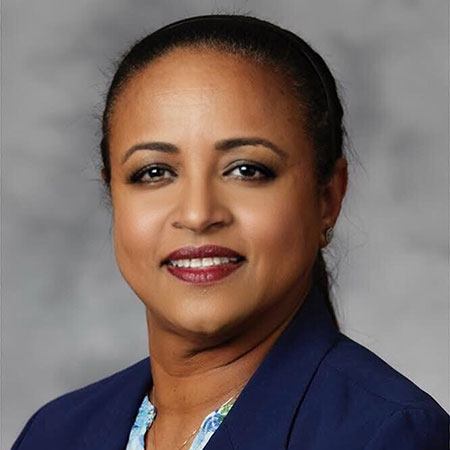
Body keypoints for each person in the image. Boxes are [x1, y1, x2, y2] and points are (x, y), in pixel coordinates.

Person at [12, 14, 449, 450]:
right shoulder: (53, 434)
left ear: (327, 198)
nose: (198, 214)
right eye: (154, 172)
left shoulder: (389, 435)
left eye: (246, 170)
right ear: (114, 195)